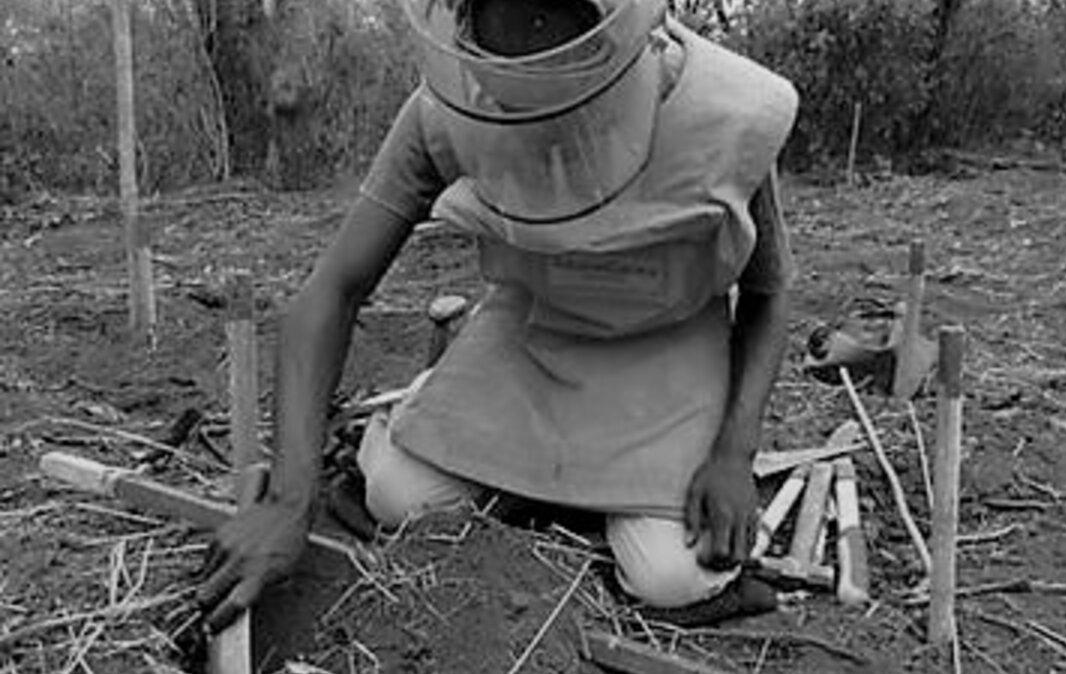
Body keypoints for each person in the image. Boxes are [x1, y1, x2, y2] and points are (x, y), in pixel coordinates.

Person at [198, 0, 798, 630]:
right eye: (513, 93)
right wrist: (290, 501)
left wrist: (735, 453)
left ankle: (566, 481)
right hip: (530, 335)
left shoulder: (733, 114)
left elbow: (769, 293)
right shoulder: (447, 114)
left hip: (668, 344)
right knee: (398, 496)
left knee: (674, 574)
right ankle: (440, 411)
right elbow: (333, 290)